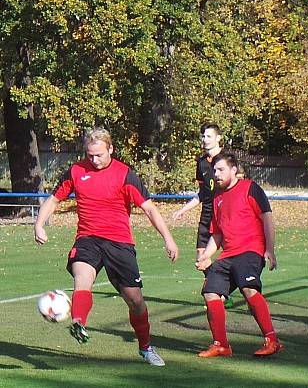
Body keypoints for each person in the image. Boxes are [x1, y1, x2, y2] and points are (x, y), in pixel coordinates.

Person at [33, 128, 179, 366]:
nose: (94, 160)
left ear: (111, 149)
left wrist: (168, 239)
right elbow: (54, 199)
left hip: (119, 242)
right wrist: (39, 224)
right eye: (90, 155)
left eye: (99, 154)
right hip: (87, 239)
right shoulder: (76, 171)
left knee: (135, 301)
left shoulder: (125, 174)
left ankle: (145, 347)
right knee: (82, 278)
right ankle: (79, 322)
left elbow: (150, 208)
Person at [194, 153, 282, 358]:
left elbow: (267, 218)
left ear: (234, 170)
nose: (216, 174)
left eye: (221, 170)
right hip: (228, 254)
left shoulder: (250, 188)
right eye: (214, 170)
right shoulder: (216, 197)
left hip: (250, 250)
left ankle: (272, 340)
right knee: (210, 293)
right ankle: (221, 345)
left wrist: (270, 249)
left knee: (248, 288)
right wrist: (206, 255)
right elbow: (216, 234)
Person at [172, 123, 235, 308]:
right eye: (203, 136)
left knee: (233, 255)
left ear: (218, 138)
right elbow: (202, 192)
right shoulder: (201, 163)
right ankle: (220, 292)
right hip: (207, 215)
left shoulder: (227, 160)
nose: (205, 140)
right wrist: (183, 209)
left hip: (224, 214)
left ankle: (229, 288)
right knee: (201, 259)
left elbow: (238, 186)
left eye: (209, 136)